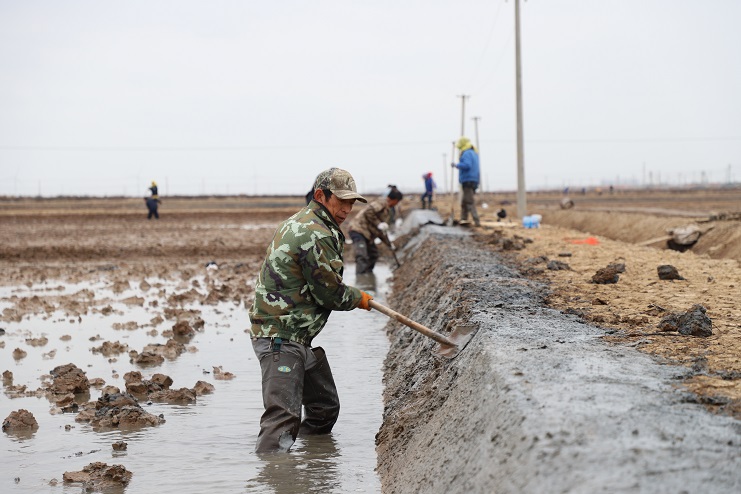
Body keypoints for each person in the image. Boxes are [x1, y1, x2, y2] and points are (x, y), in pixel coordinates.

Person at [248, 167, 374, 453]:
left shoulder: (307, 222)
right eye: (341, 201)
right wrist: (360, 298)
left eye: (351, 202)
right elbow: (329, 293)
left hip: (297, 336)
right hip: (280, 337)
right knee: (282, 421)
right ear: (320, 195)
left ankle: (312, 464)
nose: (347, 209)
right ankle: (273, 468)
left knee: (323, 409)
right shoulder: (314, 232)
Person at [348, 187, 403, 274]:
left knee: (373, 254)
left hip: (367, 233)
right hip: (358, 229)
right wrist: (378, 223)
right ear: (395, 200)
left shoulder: (387, 210)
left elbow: (381, 231)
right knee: (361, 255)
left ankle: (368, 274)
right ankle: (361, 278)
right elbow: (368, 212)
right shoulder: (381, 203)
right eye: (398, 201)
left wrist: (388, 244)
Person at [451, 136, 481, 226]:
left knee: (469, 201)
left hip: (468, 180)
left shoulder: (467, 153)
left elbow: (467, 165)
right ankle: (463, 219)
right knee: (464, 202)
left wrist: (457, 165)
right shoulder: (474, 153)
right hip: (474, 179)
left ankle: (477, 221)